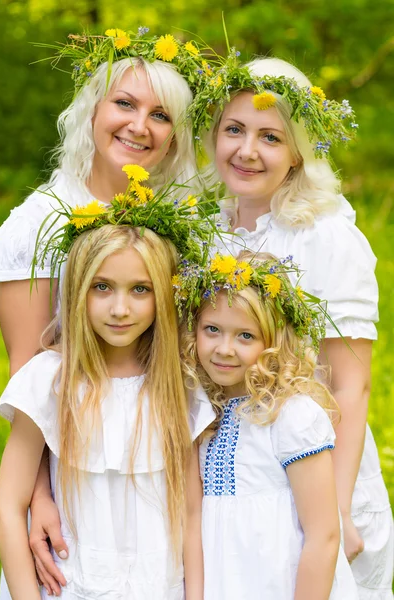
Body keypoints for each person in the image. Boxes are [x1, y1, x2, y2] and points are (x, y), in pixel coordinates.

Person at [0, 27, 207, 596]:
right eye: (125, 103)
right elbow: (28, 366)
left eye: (160, 115)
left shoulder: (181, 224)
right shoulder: (38, 222)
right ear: (92, 111)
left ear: (174, 137)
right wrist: (38, 495)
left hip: (158, 456)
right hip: (74, 470)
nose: (140, 125)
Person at [193, 53, 393, 598]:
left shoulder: (325, 235)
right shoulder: (204, 231)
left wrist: (338, 508)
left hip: (311, 474)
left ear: (299, 152)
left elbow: (351, 385)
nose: (247, 150)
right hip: (231, 479)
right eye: (234, 129)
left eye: (271, 137)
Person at [177, 250, 359, 599]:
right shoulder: (204, 412)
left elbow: (323, 536)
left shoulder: (290, 415)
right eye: (212, 330)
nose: (224, 349)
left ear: (273, 341)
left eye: (245, 336)